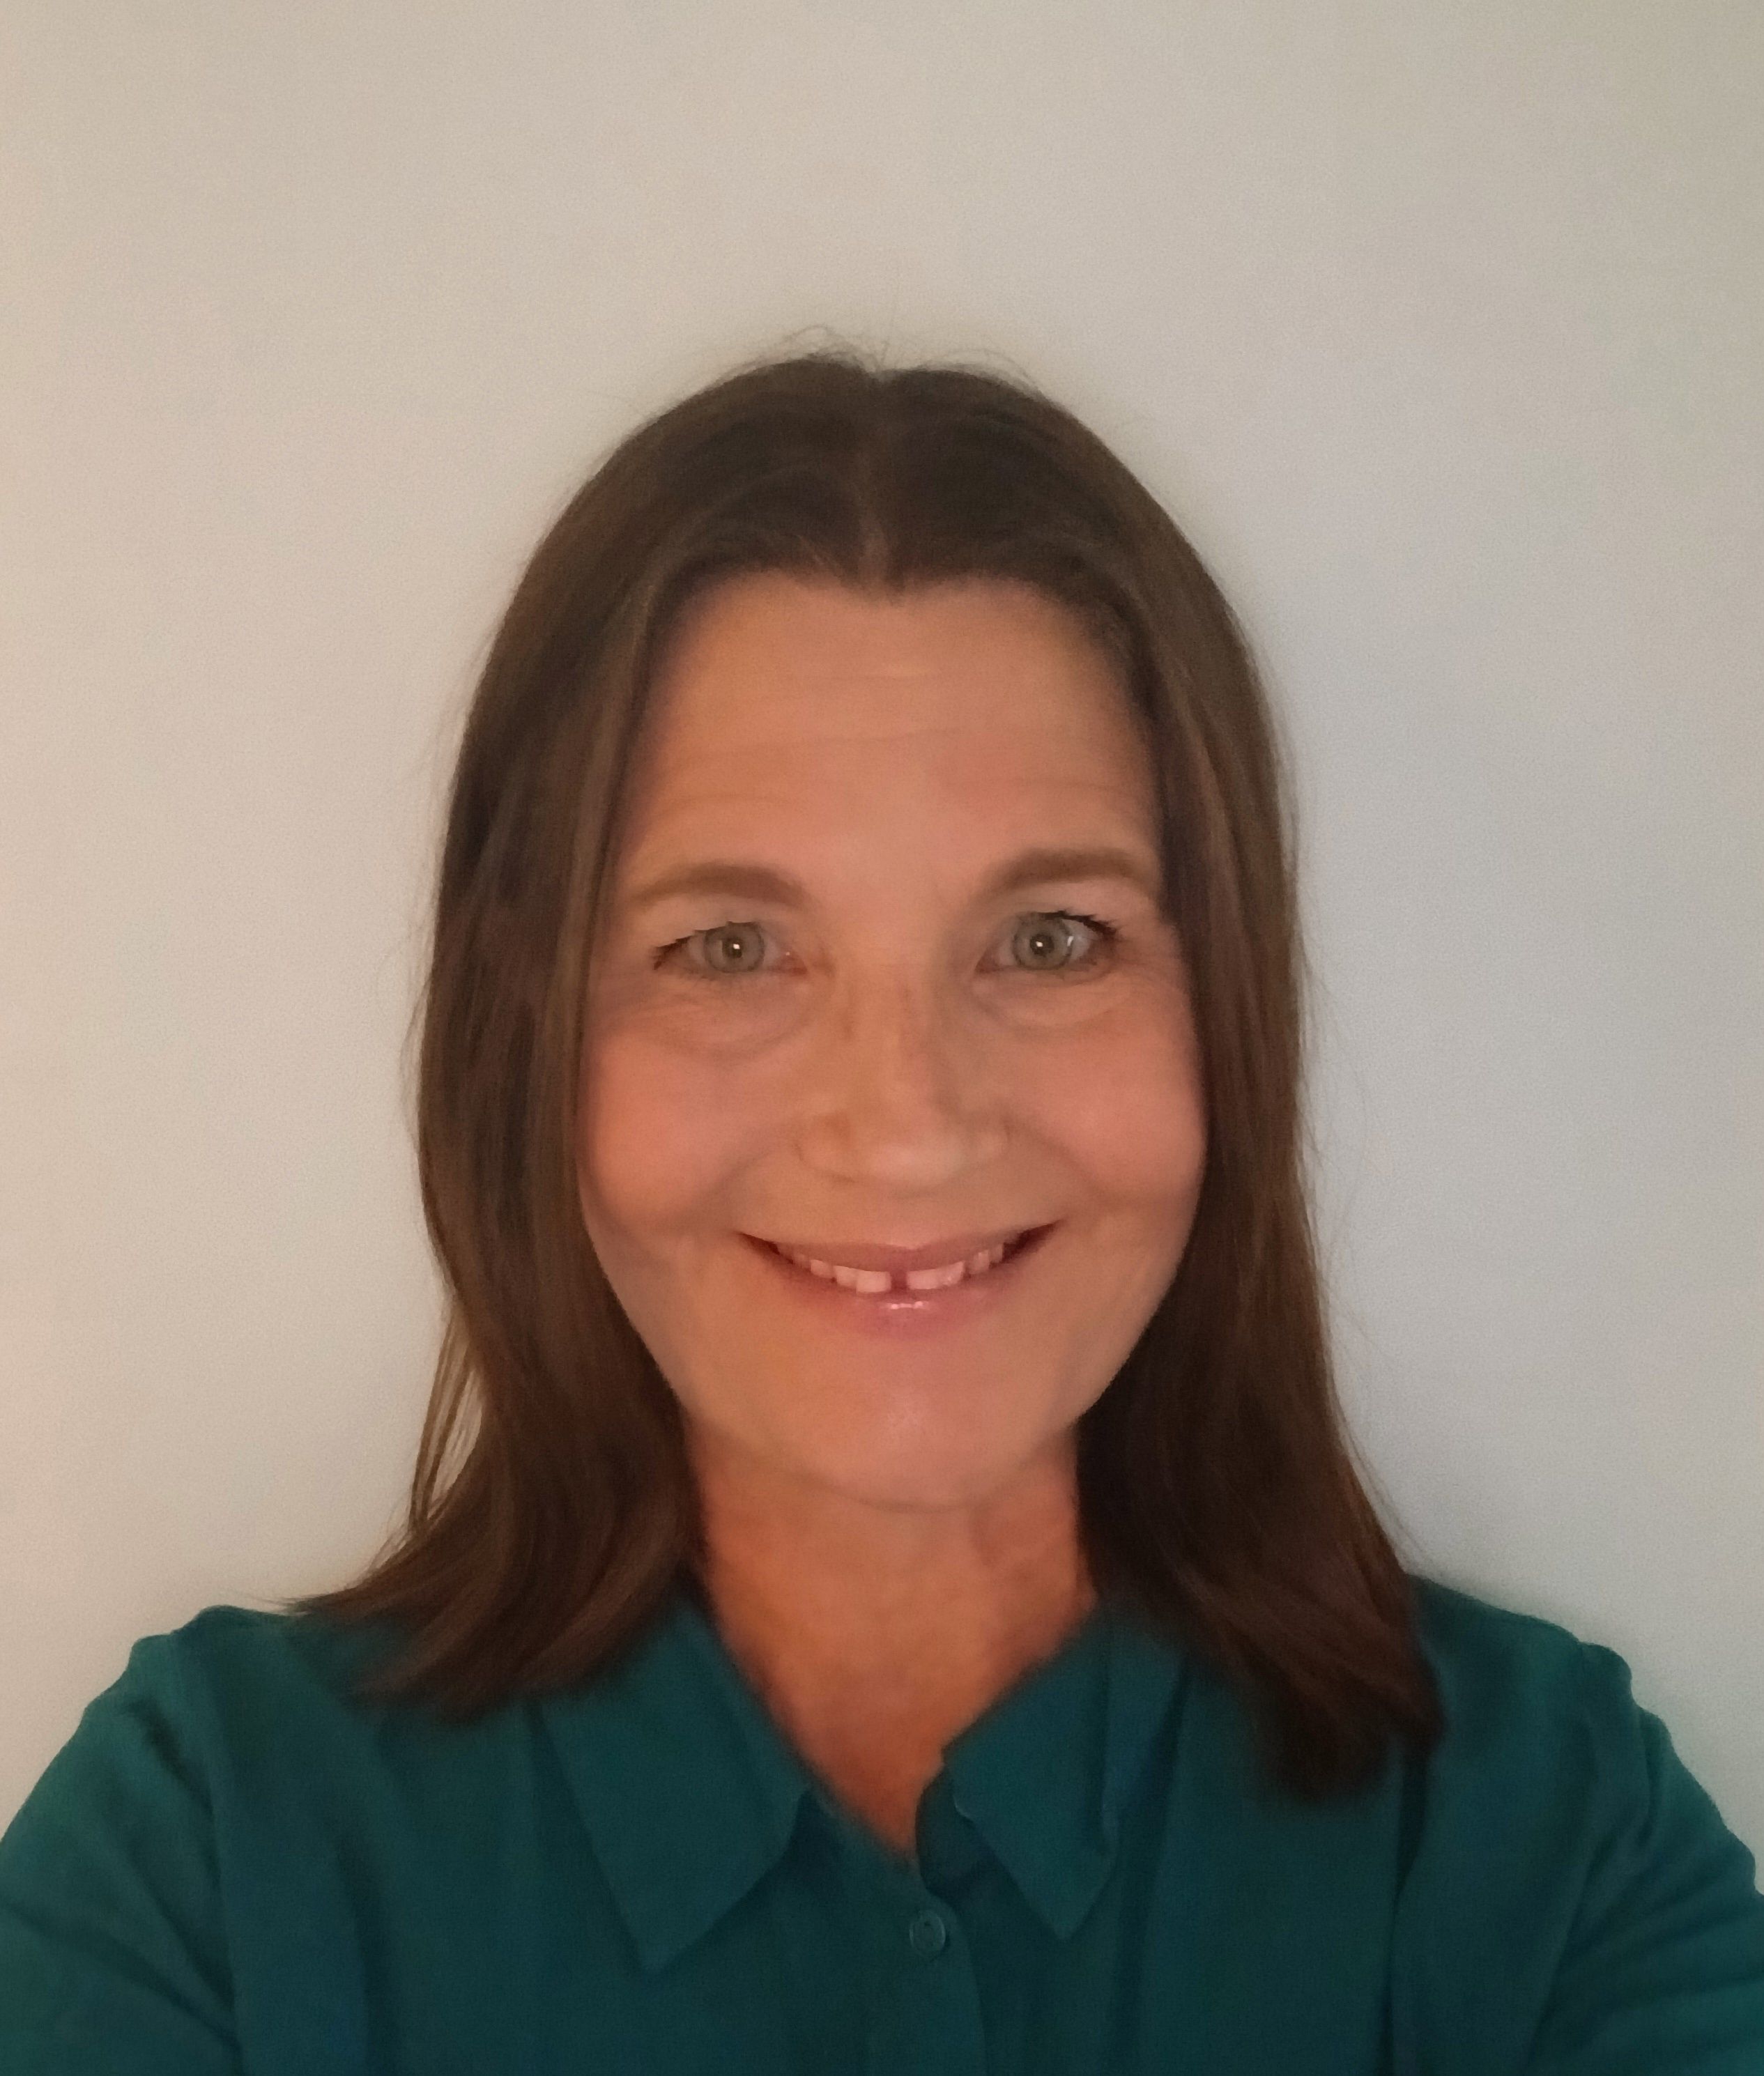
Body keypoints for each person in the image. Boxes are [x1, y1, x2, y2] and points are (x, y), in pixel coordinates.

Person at [1, 348, 1760, 2074]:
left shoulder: (1543, 1844)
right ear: (522, 1039)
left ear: (1222, 1014)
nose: (908, 1125)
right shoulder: (207, 1864)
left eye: (1051, 937)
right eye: (730, 948)